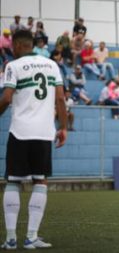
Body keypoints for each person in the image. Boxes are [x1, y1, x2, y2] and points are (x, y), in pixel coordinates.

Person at [0, 30, 67, 250]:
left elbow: (7, 97)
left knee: (13, 181)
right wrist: (64, 127)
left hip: (20, 132)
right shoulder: (51, 65)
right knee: (40, 181)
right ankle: (31, 237)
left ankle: (10, 239)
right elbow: (60, 98)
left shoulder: (13, 66)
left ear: (18, 45)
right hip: (44, 133)